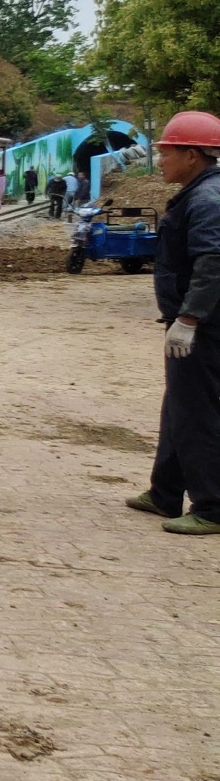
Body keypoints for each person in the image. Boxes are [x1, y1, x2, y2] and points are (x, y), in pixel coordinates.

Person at [126, 110, 220, 535]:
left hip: (204, 326)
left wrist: (188, 319)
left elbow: (213, 263)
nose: (160, 160)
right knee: (179, 406)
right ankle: (165, 492)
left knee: (198, 412)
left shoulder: (207, 200)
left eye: (167, 152)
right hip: (194, 321)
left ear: (192, 155)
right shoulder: (199, 192)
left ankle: (212, 507)